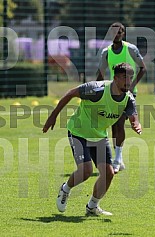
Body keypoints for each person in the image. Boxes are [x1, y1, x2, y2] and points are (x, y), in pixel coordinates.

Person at [43, 63, 142, 216]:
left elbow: (133, 116)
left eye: (130, 77)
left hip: (99, 136)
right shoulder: (97, 90)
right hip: (78, 131)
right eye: (124, 77)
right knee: (86, 170)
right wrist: (53, 116)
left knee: (109, 173)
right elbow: (70, 93)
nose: (128, 81)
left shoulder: (128, 99)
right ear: (115, 78)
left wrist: (136, 123)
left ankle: (92, 207)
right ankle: (65, 189)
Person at [96, 22, 146, 173]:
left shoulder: (130, 49)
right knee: (113, 124)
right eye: (114, 32)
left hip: (128, 92)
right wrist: (97, 90)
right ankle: (118, 158)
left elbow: (143, 68)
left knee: (119, 123)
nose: (116, 35)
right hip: (111, 92)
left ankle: (117, 160)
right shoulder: (106, 52)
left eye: (119, 32)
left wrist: (131, 86)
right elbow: (101, 73)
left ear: (123, 34)